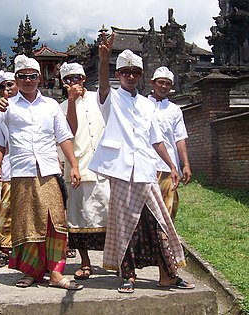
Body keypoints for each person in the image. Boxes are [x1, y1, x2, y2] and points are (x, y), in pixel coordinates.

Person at [89, 32, 195, 293]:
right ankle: (128, 276)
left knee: (159, 222)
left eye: (135, 72)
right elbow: (103, 87)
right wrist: (104, 61)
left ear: (140, 74)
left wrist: (172, 165)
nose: (130, 76)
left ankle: (167, 275)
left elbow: (156, 140)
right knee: (126, 225)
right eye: (125, 72)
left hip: (147, 171)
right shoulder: (111, 99)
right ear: (119, 74)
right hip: (122, 171)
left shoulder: (148, 106)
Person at [0, 54, 84, 291]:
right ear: (16, 79)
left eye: (32, 76)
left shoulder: (50, 105)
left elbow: (64, 136)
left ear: (39, 78)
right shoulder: (7, 105)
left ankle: (56, 273)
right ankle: (31, 271)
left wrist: (75, 165)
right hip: (21, 171)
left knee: (54, 222)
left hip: (48, 170)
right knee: (25, 222)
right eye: (22, 77)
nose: (27, 80)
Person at [59, 62, 109, 280]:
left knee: (107, 214)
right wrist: (71, 101)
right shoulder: (61, 107)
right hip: (77, 167)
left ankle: (113, 260)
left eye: (77, 78)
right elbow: (69, 131)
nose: (74, 83)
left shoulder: (99, 100)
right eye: (68, 80)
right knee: (79, 217)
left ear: (84, 79)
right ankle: (85, 262)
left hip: (103, 168)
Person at [148, 66, 192, 221]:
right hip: (146, 166)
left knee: (168, 208)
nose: (164, 86)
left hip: (168, 168)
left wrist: (185, 164)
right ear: (152, 83)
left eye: (167, 83)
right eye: (160, 82)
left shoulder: (174, 110)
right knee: (147, 209)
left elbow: (180, 138)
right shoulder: (142, 105)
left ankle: (166, 241)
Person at [0, 70, 18, 268]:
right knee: (7, 208)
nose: (6, 89)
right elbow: (0, 141)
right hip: (11, 164)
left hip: (35, 167)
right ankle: (5, 249)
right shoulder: (0, 111)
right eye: (3, 86)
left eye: (10, 85)